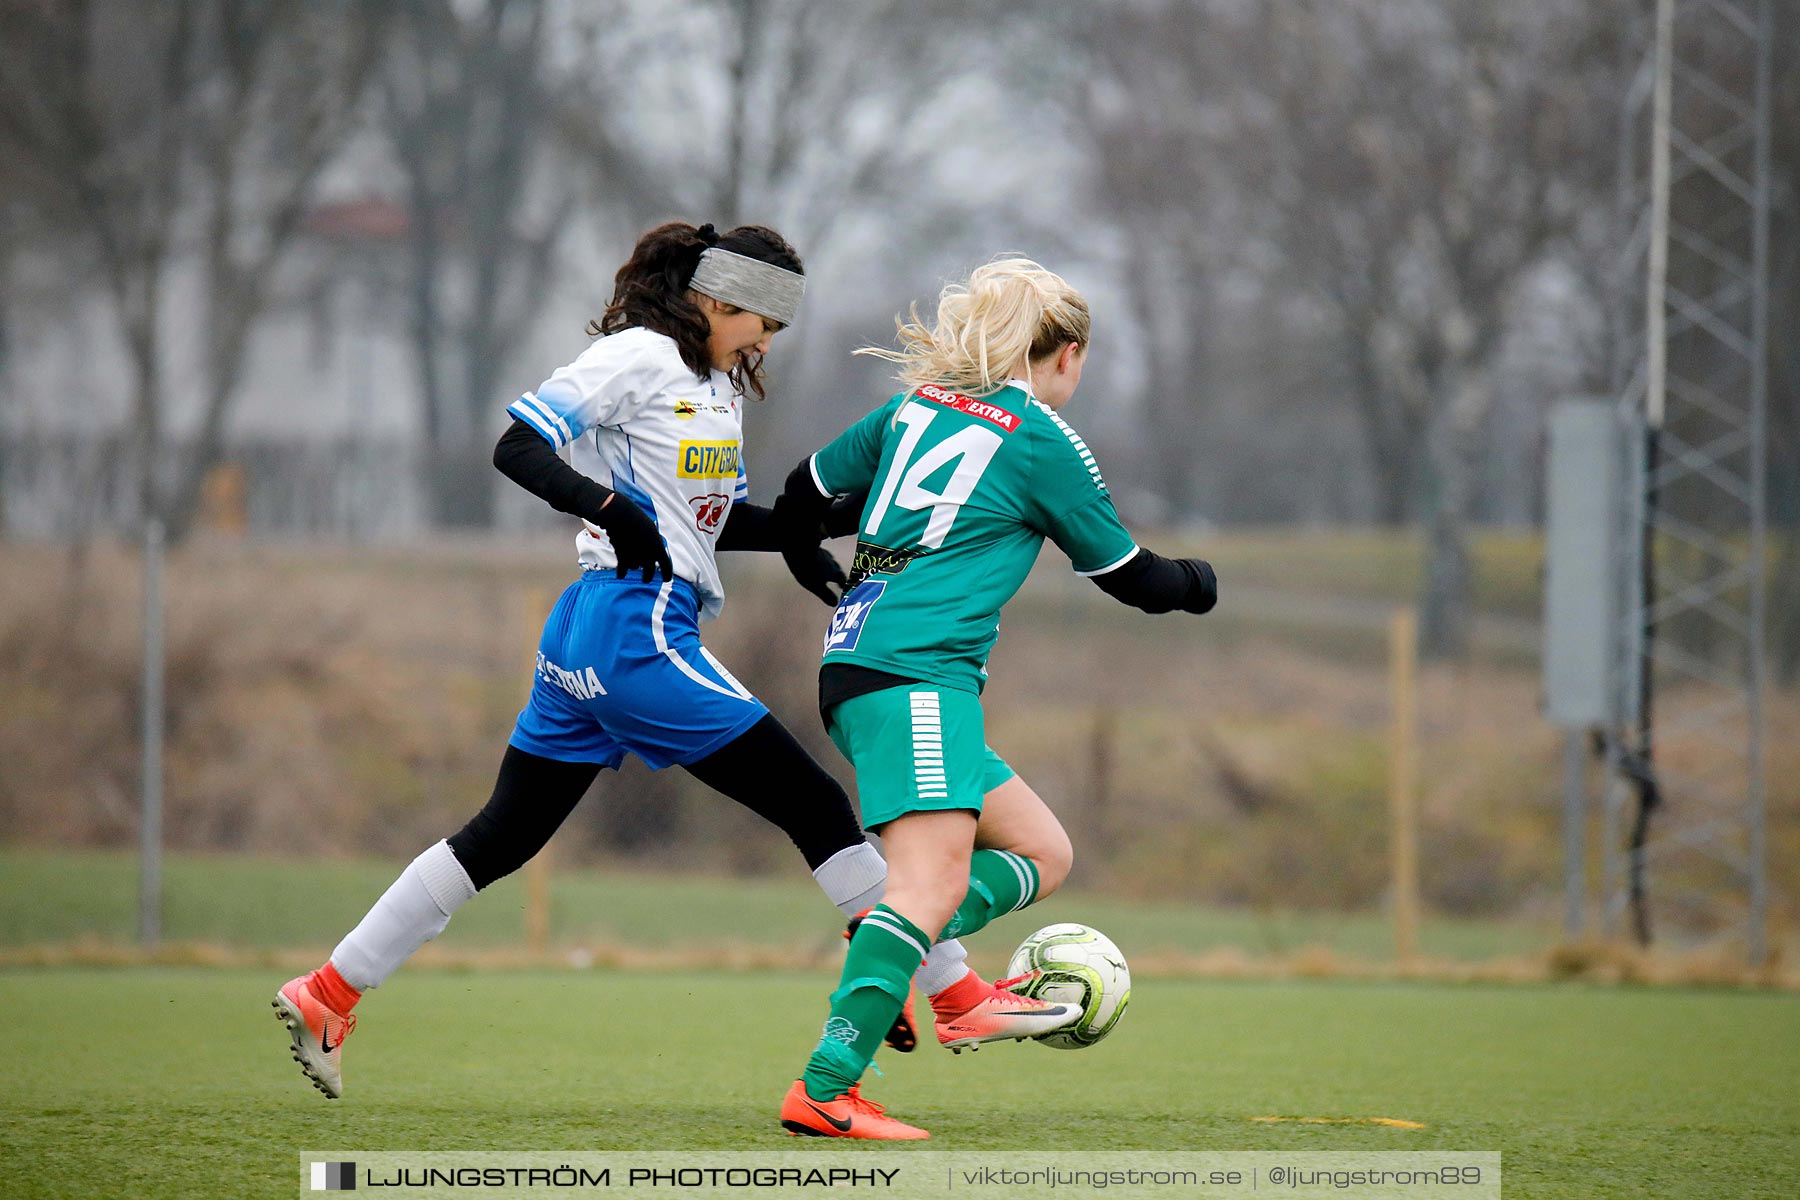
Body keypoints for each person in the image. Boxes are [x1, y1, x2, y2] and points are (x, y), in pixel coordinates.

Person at [271, 221, 979, 1099]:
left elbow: (705, 522)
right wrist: (606, 506)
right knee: (815, 801)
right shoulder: (640, 356)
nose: (768, 343)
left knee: (503, 837)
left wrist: (811, 532)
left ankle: (330, 990)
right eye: (766, 323)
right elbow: (518, 446)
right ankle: (952, 989)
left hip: (596, 629)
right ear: (719, 301)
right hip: (634, 627)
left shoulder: (713, 386)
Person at [771, 257, 1218, 1139]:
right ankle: (827, 1084)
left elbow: (799, 498)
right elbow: (1133, 577)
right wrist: (1202, 582)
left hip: (863, 667)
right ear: (1069, 353)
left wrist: (810, 559)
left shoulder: (915, 406)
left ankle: (909, 962)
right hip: (920, 677)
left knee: (1043, 851)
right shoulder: (1039, 435)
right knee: (927, 886)